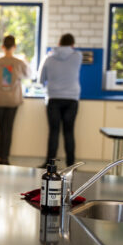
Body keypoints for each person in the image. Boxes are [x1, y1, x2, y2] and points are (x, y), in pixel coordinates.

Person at [0, 35, 30, 165]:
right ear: (15, 47)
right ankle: (5, 158)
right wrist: (25, 60)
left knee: (0, 128)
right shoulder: (19, 63)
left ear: (2, 47)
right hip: (13, 100)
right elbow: (30, 75)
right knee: (8, 129)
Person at [38, 33, 82, 167]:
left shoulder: (49, 58)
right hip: (72, 99)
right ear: (72, 45)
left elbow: (41, 79)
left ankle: (49, 164)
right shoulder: (77, 56)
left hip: (53, 98)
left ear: (58, 44)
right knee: (69, 132)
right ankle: (71, 164)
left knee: (54, 131)